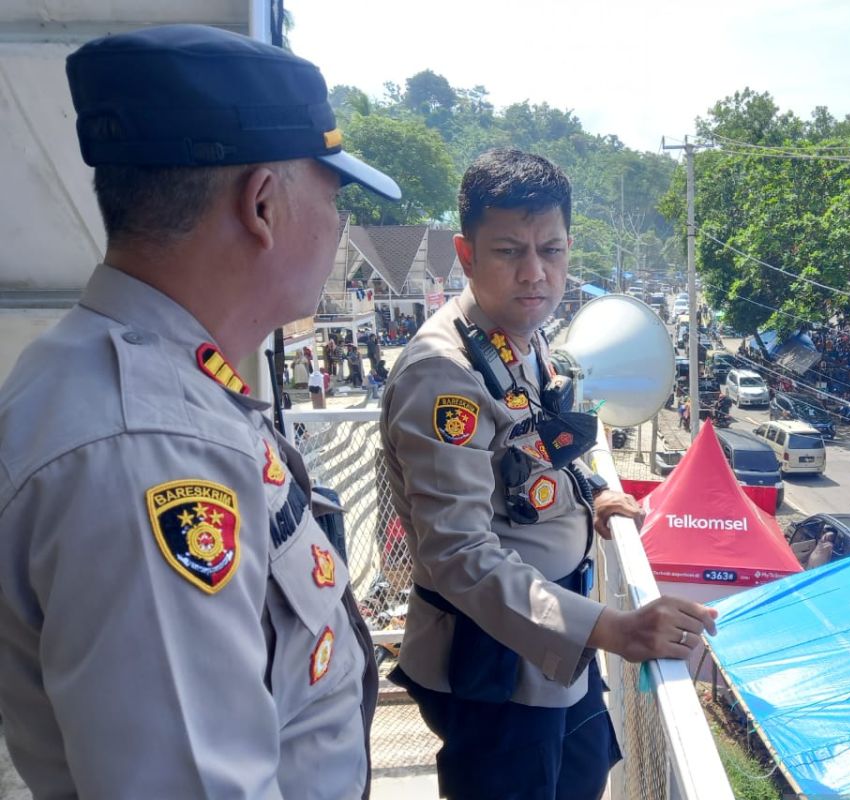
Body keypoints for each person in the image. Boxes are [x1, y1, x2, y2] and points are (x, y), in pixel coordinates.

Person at [0, 25, 402, 798]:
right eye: (334, 194)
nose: (338, 225)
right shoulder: (146, 449)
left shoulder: (151, 384)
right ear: (263, 204)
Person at [379, 149, 718, 800]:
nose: (535, 273)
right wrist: (613, 628)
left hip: (558, 634)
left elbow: (535, 448)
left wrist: (593, 492)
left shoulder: (518, 335)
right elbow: (459, 553)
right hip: (499, 658)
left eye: (552, 250)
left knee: (585, 774)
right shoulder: (444, 373)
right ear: (467, 253)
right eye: (509, 251)